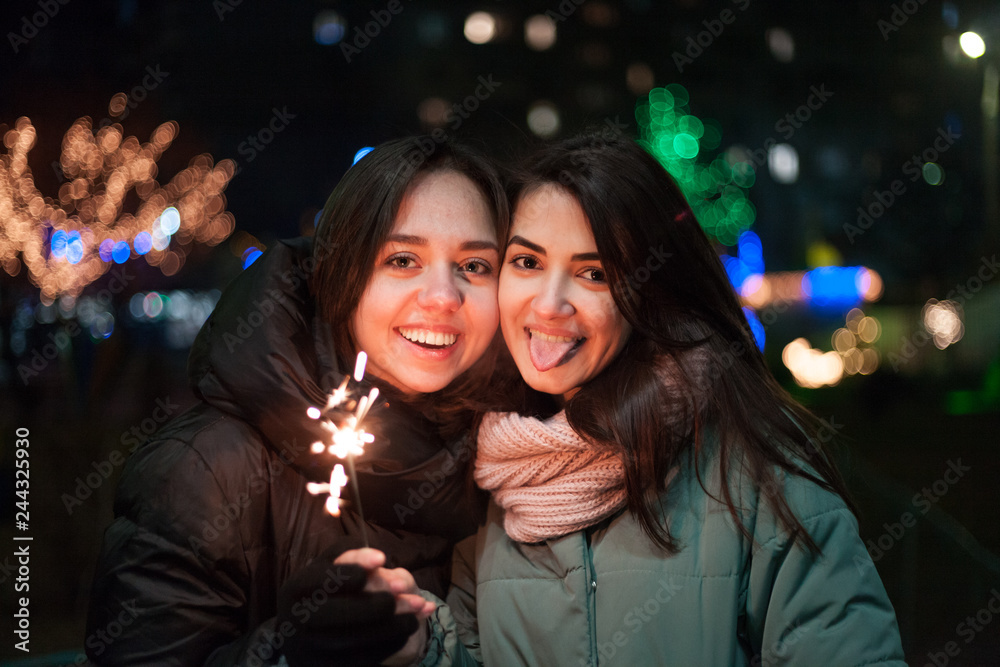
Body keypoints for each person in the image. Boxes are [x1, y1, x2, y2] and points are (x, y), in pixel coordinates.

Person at [344, 132, 908, 666]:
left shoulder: (754, 469)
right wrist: (419, 645)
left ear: (650, 291)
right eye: (527, 262)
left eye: (594, 273)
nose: (549, 304)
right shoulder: (494, 473)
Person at [85, 136, 508, 666]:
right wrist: (292, 653)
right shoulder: (209, 468)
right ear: (341, 272)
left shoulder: (510, 463)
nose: (444, 296)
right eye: (402, 259)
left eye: (474, 266)